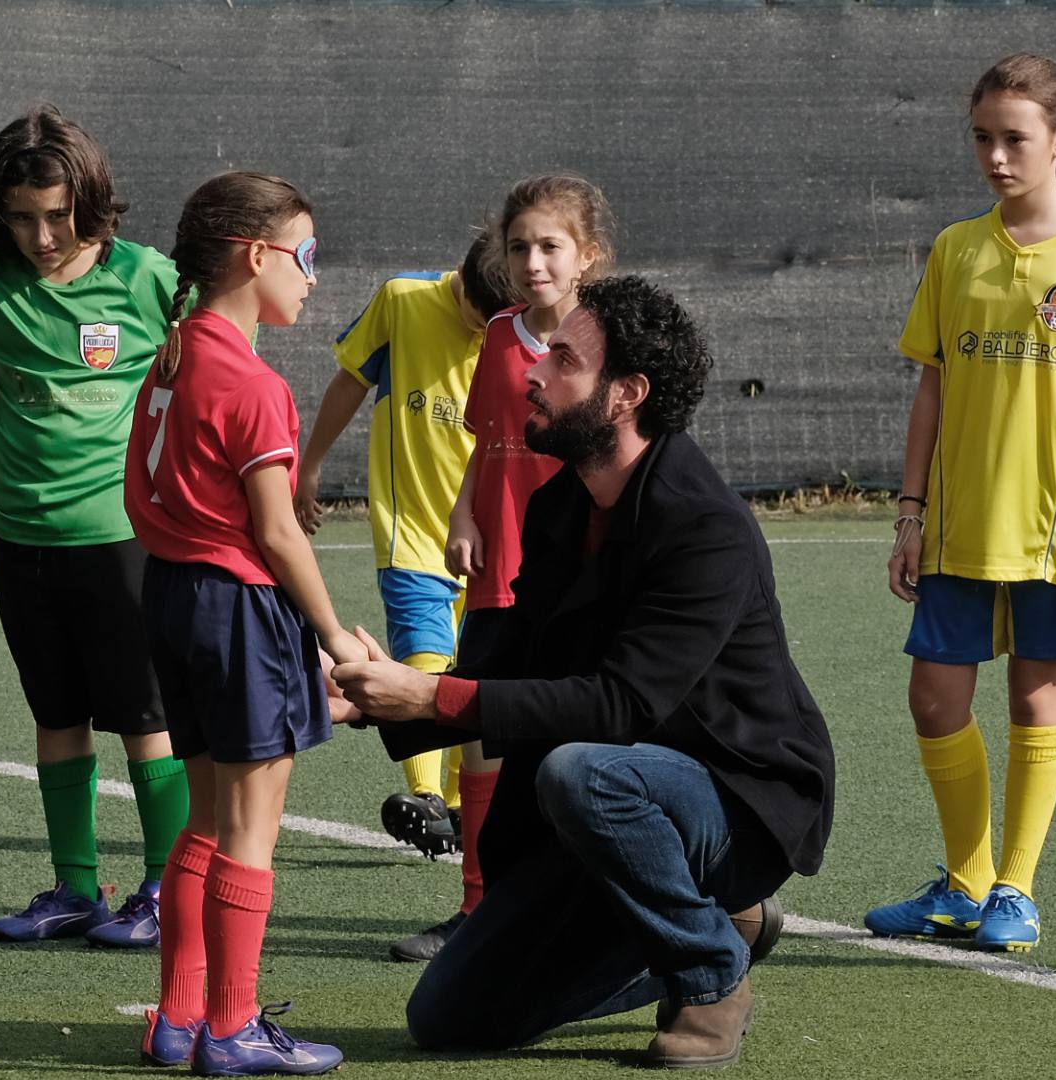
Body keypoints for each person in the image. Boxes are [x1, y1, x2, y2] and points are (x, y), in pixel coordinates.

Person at [335, 275, 834, 1069]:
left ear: (625, 393)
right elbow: (510, 661)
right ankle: (728, 928)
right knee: (449, 1019)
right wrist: (376, 698)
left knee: (584, 773)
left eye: (563, 357)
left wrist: (430, 692)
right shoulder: (558, 504)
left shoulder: (704, 524)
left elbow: (622, 705)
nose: (532, 370)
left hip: (735, 799)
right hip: (611, 799)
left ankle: (708, 975)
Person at [865, 52, 1056, 953]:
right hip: (955, 526)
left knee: (1038, 697)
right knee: (933, 700)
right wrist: (908, 512)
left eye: (1014, 139)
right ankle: (963, 879)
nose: (995, 156)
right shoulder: (957, 248)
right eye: (983, 138)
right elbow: (932, 387)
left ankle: (1015, 891)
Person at [0, 105, 188, 948]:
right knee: (56, 713)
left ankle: (164, 886)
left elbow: (200, 364)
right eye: (21, 217)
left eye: (57, 215)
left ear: (90, 199)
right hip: (16, 534)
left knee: (146, 717)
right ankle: (75, 888)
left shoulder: (149, 278)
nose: (42, 236)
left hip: (122, 539)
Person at [126, 170, 363, 1074]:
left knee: (203, 821)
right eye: (305, 255)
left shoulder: (171, 354)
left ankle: (178, 1019)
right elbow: (273, 529)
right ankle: (230, 1030)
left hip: (175, 601)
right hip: (235, 607)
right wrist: (335, 636)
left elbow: (137, 494)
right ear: (257, 255)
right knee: (249, 833)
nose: (312, 276)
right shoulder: (254, 382)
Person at [381, 174, 618, 963]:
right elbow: (486, 442)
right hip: (499, 561)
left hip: (573, 572)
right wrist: (461, 515)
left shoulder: (604, 338)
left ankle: (583, 909)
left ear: (587, 255)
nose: (532, 261)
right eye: (519, 247)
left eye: (550, 245)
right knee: (479, 727)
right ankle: (476, 909)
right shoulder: (499, 334)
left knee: (571, 736)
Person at [291, 233, 514, 957]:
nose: (485, 331)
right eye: (478, 315)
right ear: (461, 286)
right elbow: (351, 381)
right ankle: (433, 798)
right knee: (424, 654)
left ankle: (459, 805)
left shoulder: (524, 327)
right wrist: (311, 466)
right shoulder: (404, 299)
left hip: (492, 534)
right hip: (414, 531)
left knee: (474, 675)